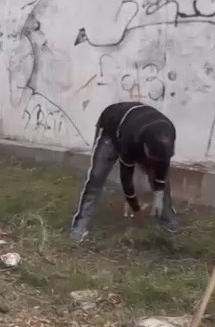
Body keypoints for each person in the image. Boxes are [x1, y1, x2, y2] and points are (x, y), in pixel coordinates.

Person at [70, 101, 179, 243]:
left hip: (136, 121)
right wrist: (136, 208)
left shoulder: (168, 132)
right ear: (145, 147)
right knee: (97, 177)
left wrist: (159, 195)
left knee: (161, 178)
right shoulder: (131, 138)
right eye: (151, 158)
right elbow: (126, 177)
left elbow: (162, 166)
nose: (151, 163)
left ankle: (169, 219)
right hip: (112, 129)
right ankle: (80, 225)